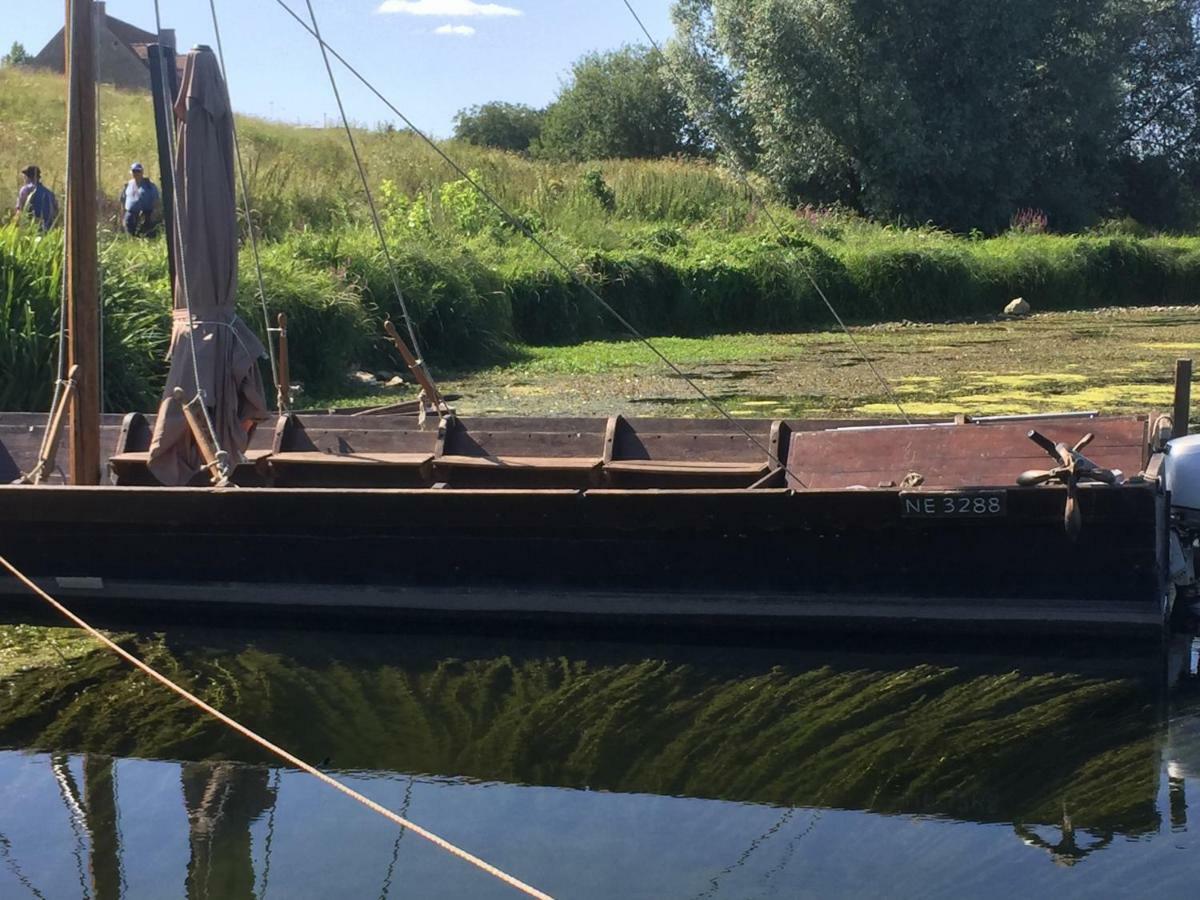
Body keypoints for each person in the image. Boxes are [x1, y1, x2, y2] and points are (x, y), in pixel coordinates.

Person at [119, 162, 161, 237]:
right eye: (134, 171)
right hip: (130, 214)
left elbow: (156, 200)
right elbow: (123, 201)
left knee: (146, 234)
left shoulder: (149, 185)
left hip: (146, 214)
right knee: (130, 235)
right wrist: (123, 217)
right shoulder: (128, 184)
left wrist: (154, 213)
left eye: (138, 171)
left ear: (142, 172)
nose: (136, 173)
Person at [14, 165, 58, 232]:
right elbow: (55, 211)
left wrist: (14, 228)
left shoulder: (26, 190)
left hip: (31, 229)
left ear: (27, 177)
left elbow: (19, 210)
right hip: (48, 229)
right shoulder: (49, 193)